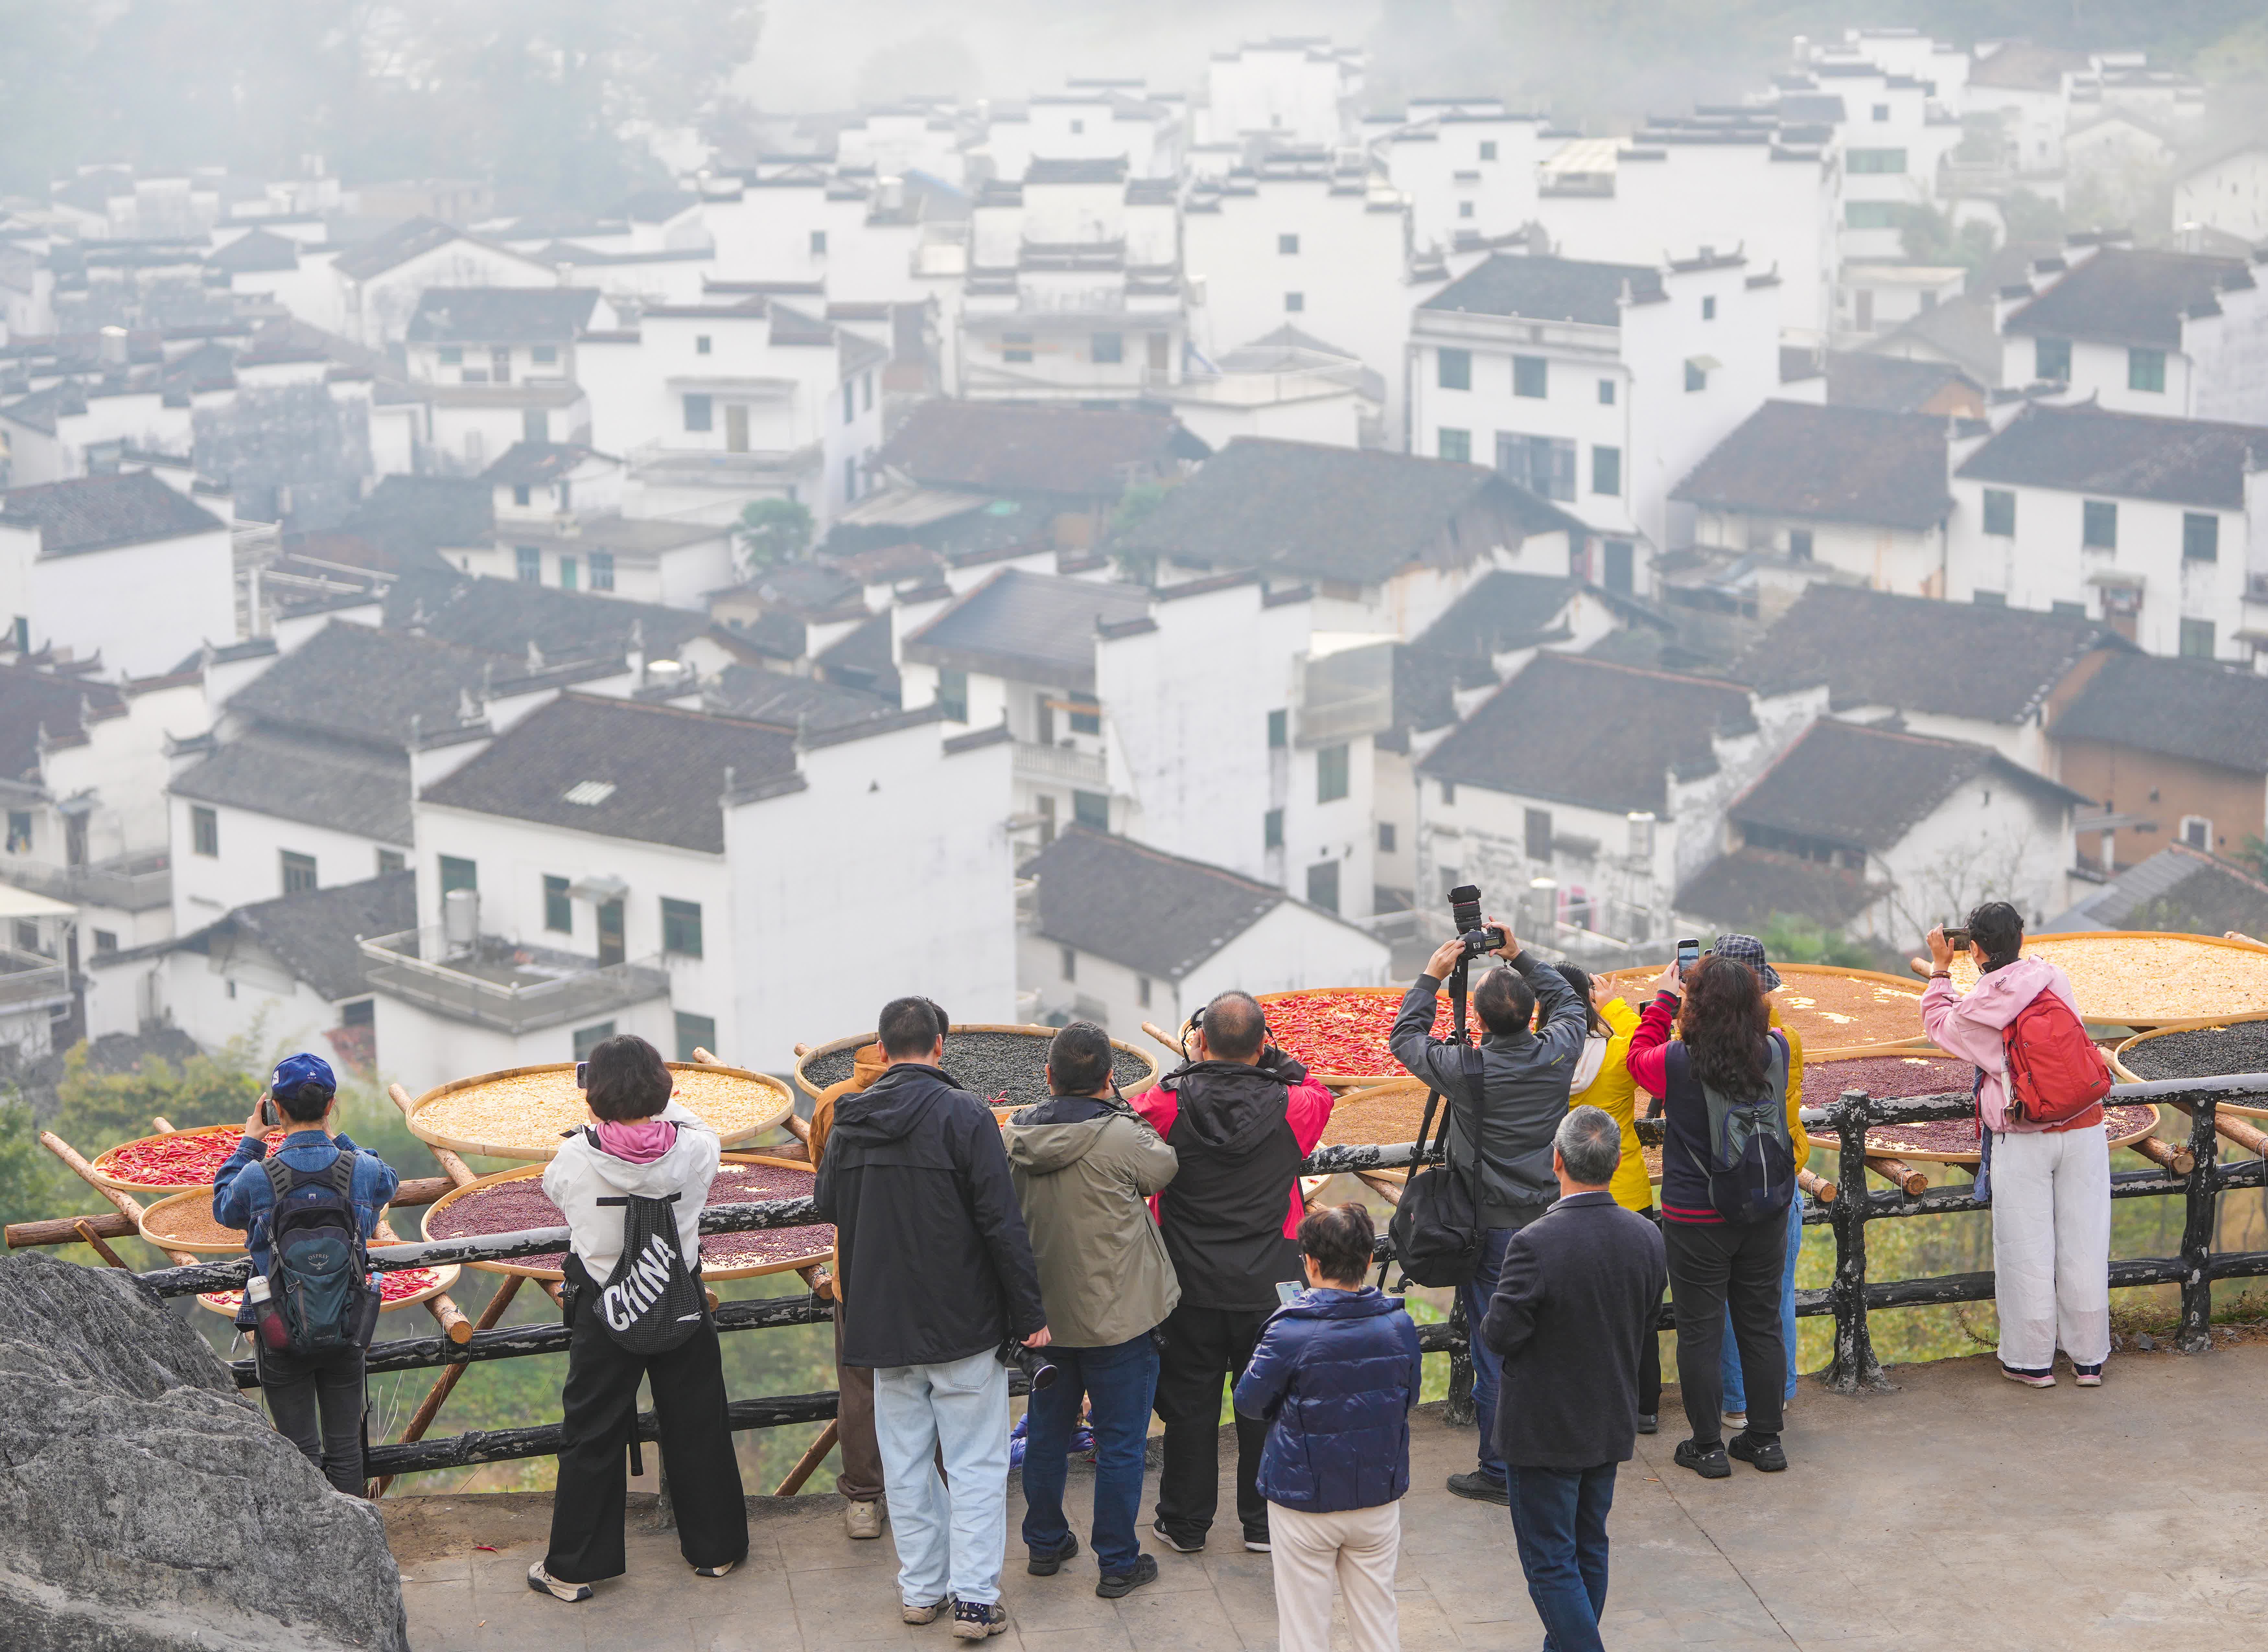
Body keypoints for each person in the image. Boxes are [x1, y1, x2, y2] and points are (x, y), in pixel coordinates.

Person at [815, 996, 1048, 1640]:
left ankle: (921, 1589)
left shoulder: (848, 1117)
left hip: (881, 1318)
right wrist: (1029, 1313)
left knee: (906, 1459)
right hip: (961, 1316)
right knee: (975, 1461)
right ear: (940, 1046)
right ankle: (975, 1599)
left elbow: (827, 1200)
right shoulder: (966, 1114)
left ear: (883, 1051)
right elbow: (1002, 1224)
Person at [528, 1034, 746, 1601]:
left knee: (590, 1434)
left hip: (605, 1307)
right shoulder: (696, 1152)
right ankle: (715, 1551)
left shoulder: (575, 1157)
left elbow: (556, 1193)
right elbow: (700, 1127)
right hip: (680, 1299)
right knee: (697, 1424)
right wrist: (658, 1100)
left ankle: (574, 1568)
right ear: (664, 1087)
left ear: (593, 1094)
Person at [1387, 920, 1587, 1505]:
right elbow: (1570, 1001)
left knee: (1495, 1349)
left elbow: (1405, 1038)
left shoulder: (1467, 1069)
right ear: (1532, 1018)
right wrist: (1519, 954)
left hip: (1493, 1228)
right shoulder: (1558, 1051)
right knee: (1550, 1341)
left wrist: (1431, 976)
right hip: (1555, 1219)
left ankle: (1500, 1469)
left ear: (1479, 1022)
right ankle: (1554, 1452)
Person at [1131, 990, 1334, 1556]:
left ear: (1199, 1042)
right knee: (1266, 1402)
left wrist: (1189, 1070)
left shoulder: (1167, 1105)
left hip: (1189, 1280)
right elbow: (1316, 1090)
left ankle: (1186, 1523)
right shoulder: (1294, 1106)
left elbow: (1139, 1123)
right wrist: (1275, 1060)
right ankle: (1263, 1523)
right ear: (1263, 1043)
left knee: (1192, 1406)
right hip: (1269, 1281)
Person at [1002, 1022, 1180, 1599]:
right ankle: (1117, 1562)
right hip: (1119, 1317)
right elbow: (1166, 1168)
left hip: (1044, 1319)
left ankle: (1046, 1545)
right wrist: (1121, 1108)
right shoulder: (1123, 1136)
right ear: (1109, 1079)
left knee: (1048, 1434)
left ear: (1047, 1076)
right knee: (1122, 1443)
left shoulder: (1013, 1139)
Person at [1482, 1107, 1667, 1652]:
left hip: (1544, 1428)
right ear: (1614, 1163)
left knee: (1550, 1559)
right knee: (1590, 1545)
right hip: (1609, 1412)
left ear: (1557, 1159)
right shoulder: (1646, 1235)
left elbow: (1499, 1333)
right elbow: (1645, 1315)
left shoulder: (1534, 1243)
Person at [1921, 902, 2110, 1388]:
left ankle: (2031, 1363)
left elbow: (1939, 1024)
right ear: (2022, 940)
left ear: (1976, 948)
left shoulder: (1976, 1008)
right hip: (2085, 1127)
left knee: (2025, 1249)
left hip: (2023, 1133)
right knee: (2085, 1244)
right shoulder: (2055, 979)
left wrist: (1941, 970)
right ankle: (2088, 1359)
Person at [1627, 953, 1793, 1479]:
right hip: (1766, 1207)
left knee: (1699, 1330)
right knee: (1761, 1323)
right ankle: (1765, 1441)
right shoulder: (1777, 1050)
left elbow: (1636, 1058)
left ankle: (1707, 1447)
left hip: (1697, 1214)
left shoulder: (1678, 1062)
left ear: (1696, 1006)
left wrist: (1662, 1000)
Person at [1233, 1203, 1421, 1652]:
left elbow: (1249, 1402)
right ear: (1369, 1261)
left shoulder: (1290, 1331)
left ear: (1311, 1264)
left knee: (1304, 1631)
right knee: (1378, 1622)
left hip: (1303, 1499)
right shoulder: (1399, 1325)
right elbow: (1408, 1398)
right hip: (1377, 1494)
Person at [213, 1053, 398, 1495]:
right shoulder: (362, 1170)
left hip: (279, 1332)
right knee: (346, 1452)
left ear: (276, 1109)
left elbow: (223, 1206)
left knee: (301, 1453)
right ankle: (360, 1550)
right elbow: (390, 1182)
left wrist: (250, 1142)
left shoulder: (258, 1177)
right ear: (331, 1104)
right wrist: (338, 1139)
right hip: (347, 1325)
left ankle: (313, 1557)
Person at [1706, 935, 1810, 1433]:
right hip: (1779, 1179)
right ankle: (1778, 1394)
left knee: (1728, 1298)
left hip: (1725, 1188)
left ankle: (1736, 1400)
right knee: (1777, 1293)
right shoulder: (1785, 1039)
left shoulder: (1705, 1050)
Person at [1555, 964, 1657, 1433]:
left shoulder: (1543, 1058)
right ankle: (1645, 1406)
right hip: (1628, 1193)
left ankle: (1587, 1406)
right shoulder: (1619, 1053)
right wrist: (1613, 1004)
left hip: (1565, 1198)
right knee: (1639, 1307)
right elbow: (1649, 1047)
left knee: (1573, 1309)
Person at [806, 1049, 889, 1540]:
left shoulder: (836, 1101)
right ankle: (940, 1486)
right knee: (937, 1379)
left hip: (855, 1265)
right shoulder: (950, 1101)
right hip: (928, 1270)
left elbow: (824, 1178)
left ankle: (864, 1500)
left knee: (860, 1386)